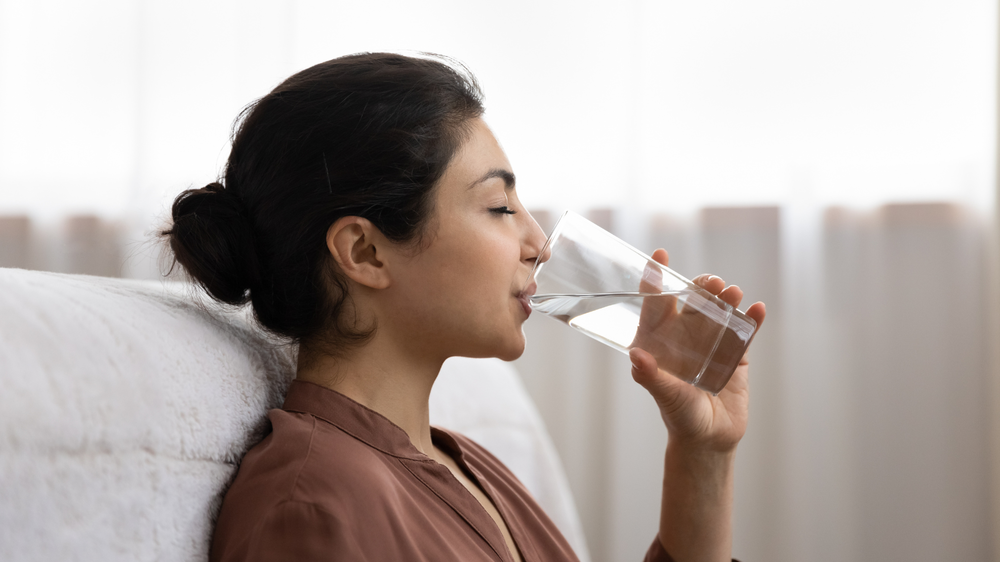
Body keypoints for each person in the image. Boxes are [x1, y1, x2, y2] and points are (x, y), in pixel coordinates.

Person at [162, 52, 766, 562]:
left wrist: (703, 453)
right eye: (500, 207)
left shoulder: (468, 467)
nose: (540, 243)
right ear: (365, 251)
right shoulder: (314, 509)